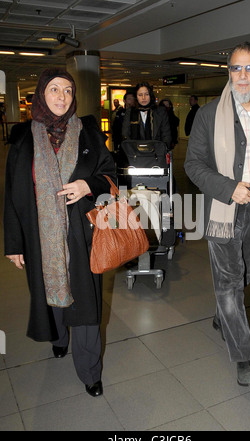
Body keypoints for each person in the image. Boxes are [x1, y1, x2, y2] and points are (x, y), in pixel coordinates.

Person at [4, 68, 116, 397]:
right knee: (51, 295)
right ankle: (58, 338)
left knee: (85, 304)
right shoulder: (23, 137)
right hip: (40, 237)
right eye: (54, 89)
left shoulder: (90, 132)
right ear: (40, 93)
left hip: (83, 235)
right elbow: (12, 192)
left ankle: (89, 371)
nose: (62, 96)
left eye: (67, 91)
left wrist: (88, 185)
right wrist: (13, 242)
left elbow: (110, 176)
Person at [184, 42, 250, 387]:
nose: (242, 76)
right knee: (229, 283)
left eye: (249, 69)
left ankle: (223, 314)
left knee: (244, 276)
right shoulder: (209, 114)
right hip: (224, 207)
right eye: (235, 68)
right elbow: (193, 164)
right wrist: (229, 187)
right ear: (227, 71)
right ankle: (244, 359)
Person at [122, 82, 171, 149]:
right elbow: (125, 133)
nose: (143, 98)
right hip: (136, 153)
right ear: (136, 97)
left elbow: (166, 134)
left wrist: (162, 150)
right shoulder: (130, 112)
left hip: (156, 152)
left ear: (150, 95)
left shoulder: (160, 111)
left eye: (146, 94)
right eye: (140, 95)